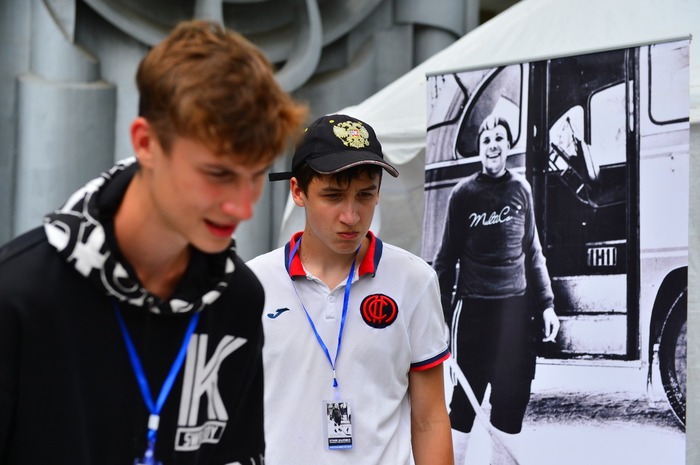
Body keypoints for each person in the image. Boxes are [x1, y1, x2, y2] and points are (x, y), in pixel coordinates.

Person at [0, 19, 307, 465]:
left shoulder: (238, 299)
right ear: (146, 142)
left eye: (256, 175)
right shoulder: (20, 297)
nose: (243, 207)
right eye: (218, 174)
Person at [247, 114, 454, 465]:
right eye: (333, 196)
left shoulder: (414, 280)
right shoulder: (254, 284)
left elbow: (430, 419)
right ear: (298, 191)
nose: (351, 216)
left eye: (365, 195)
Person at [432, 114, 560, 465]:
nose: (492, 145)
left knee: (511, 401)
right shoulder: (463, 194)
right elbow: (445, 260)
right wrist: (441, 317)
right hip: (473, 311)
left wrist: (547, 304)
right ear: (480, 148)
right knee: (464, 404)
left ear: (508, 145)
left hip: (516, 312)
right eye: (486, 139)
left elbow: (533, 252)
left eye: (499, 138)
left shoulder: (521, 190)